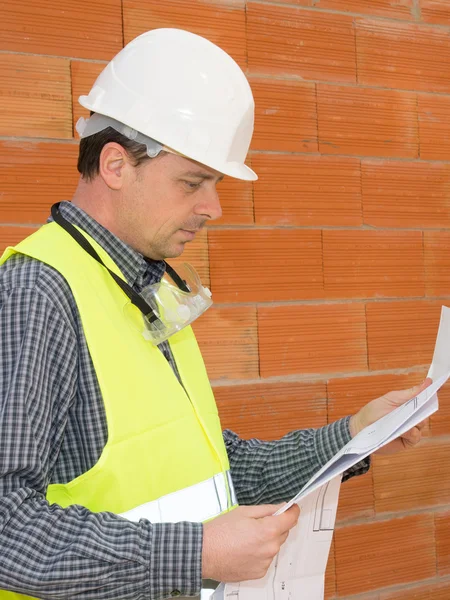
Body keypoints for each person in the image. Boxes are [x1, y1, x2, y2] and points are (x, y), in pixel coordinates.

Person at [0, 28, 429, 600]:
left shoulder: (139, 286)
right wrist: (197, 553)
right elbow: (7, 529)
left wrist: (352, 437)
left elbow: (212, 476)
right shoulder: (37, 292)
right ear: (115, 164)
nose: (214, 207)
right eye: (193, 183)